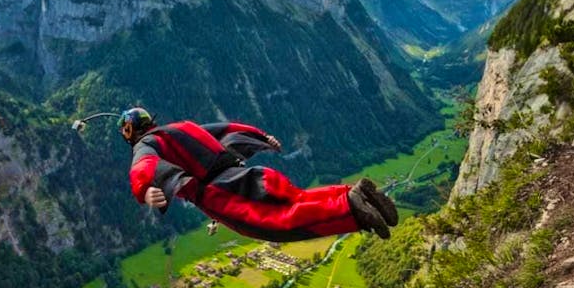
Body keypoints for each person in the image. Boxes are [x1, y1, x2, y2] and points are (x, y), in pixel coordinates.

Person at [119, 107, 399, 241]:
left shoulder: (147, 144)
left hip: (220, 192)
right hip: (249, 173)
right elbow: (227, 129)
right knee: (297, 200)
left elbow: (143, 166)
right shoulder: (183, 127)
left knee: (277, 224)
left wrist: (144, 190)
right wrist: (261, 137)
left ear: (131, 131)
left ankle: (352, 209)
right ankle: (354, 193)